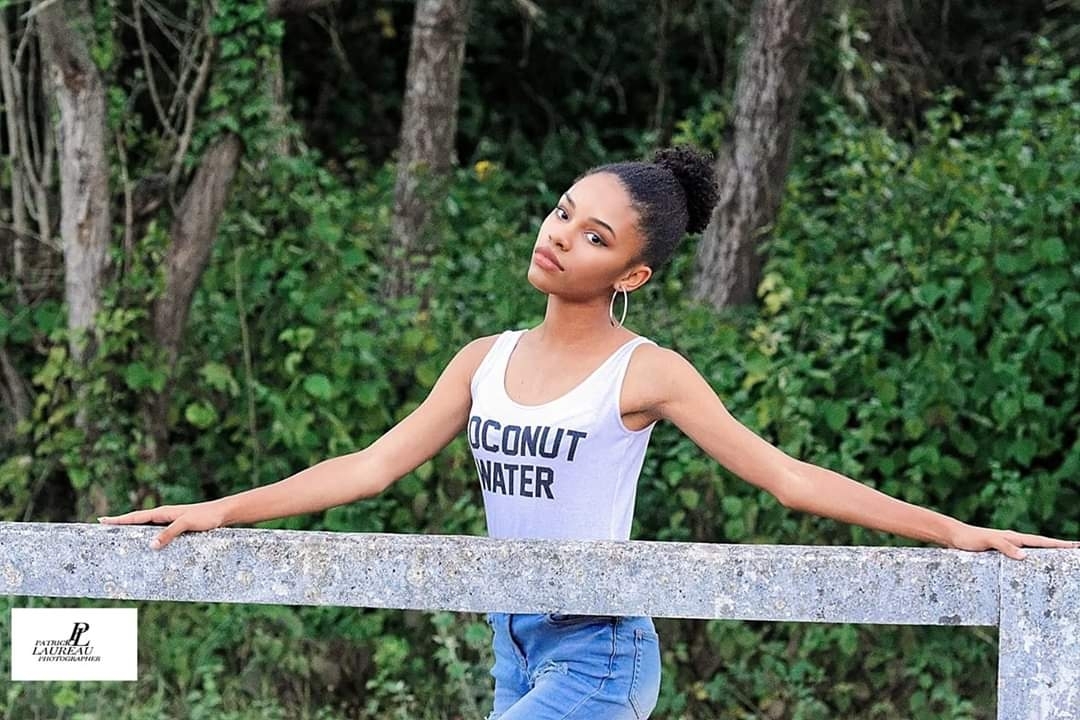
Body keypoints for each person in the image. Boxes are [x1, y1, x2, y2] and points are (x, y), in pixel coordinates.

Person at [99, 145, 1078, 719]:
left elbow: (789, 479)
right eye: (564, 212)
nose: (560, 235)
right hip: (512, 643)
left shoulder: (645, 372)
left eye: (594, 236)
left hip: (599, 650)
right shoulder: (482, 361)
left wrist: (957, 532)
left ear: (633, 275)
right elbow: (369, 466)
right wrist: (217, 508)